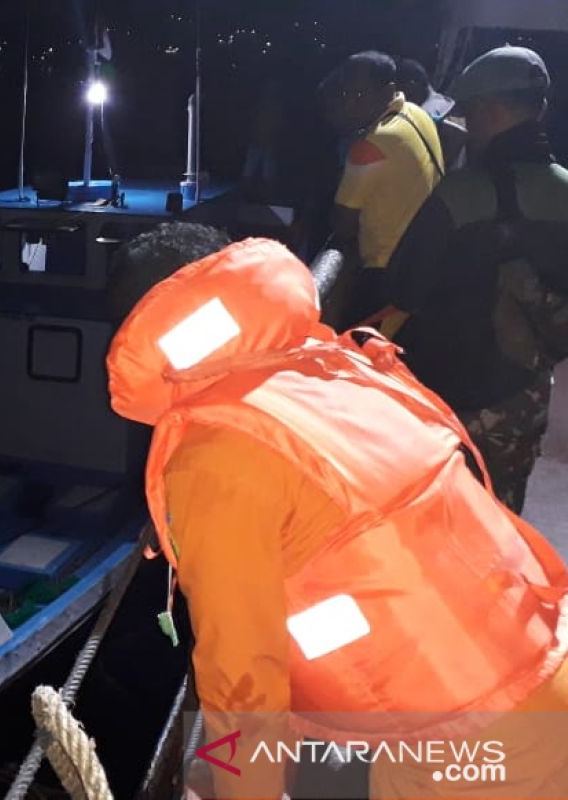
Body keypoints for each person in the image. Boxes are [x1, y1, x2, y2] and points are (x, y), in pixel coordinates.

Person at [108, 236, 568, 800]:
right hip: (540, 667)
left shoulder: (212, 455)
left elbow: (243, 678)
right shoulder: (335, 365)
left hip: (469, 748)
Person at [387, 46, 568, 514]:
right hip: (526, 394)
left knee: (445, 522)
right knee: (504, 520)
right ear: (541, 109)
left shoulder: (460, 194)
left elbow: (404, 292)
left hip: (452, 398)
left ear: (487, 111)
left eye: (469, 116)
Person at [327, 51, 444, 331]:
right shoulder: (416, 114)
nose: (349, 105)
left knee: (361, 354)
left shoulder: (372, 144)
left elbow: (343, 225)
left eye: (360, 96)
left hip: (386, 274)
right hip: (423, 262)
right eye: (346, 94)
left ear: (389, 90)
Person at [397, 56, 467, 169]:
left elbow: (457, 137)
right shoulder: (412, 109)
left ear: (412, 84)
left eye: (398, 87)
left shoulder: (447, 111)